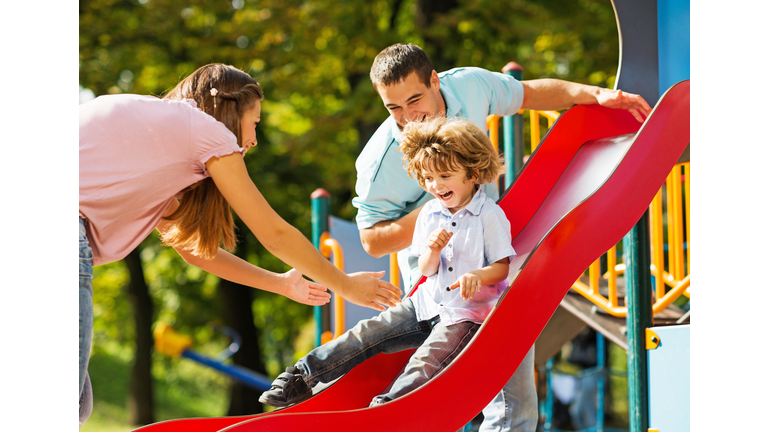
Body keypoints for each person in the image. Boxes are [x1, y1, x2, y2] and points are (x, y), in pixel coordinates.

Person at [78, 63, 403, 426]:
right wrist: (343, 285)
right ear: (228, 110)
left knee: (79, 403)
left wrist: (280, 283)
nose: (253, 139)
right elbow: (274, 233)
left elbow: (195, 249)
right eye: (255, 123)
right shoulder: (206, 131)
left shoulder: (160, 136)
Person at [352, 43, 652, 432]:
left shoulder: (469, 86)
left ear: (434, 81)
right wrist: (446, 200)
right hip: (439, 281)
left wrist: (593, 94)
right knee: (448, 396)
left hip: (494, 267)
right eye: (394, 108)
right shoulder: (382, 160)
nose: (409, 117)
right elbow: (372, 240)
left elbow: (529, 94)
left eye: (415, 100)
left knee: (514, 400)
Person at [259, 116, 514, 409]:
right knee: (368, 332)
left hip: (466, 315)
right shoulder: (430, 213)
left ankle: (385, 410)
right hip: (425, 304)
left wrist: (478, 276)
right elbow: (427, 270)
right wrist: (432, 251)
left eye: (445, 176)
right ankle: (302, 377)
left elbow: (502, 266)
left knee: (425, 364)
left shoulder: (489, 215)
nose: (436, 185)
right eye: (428, 178)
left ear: (473, 172)